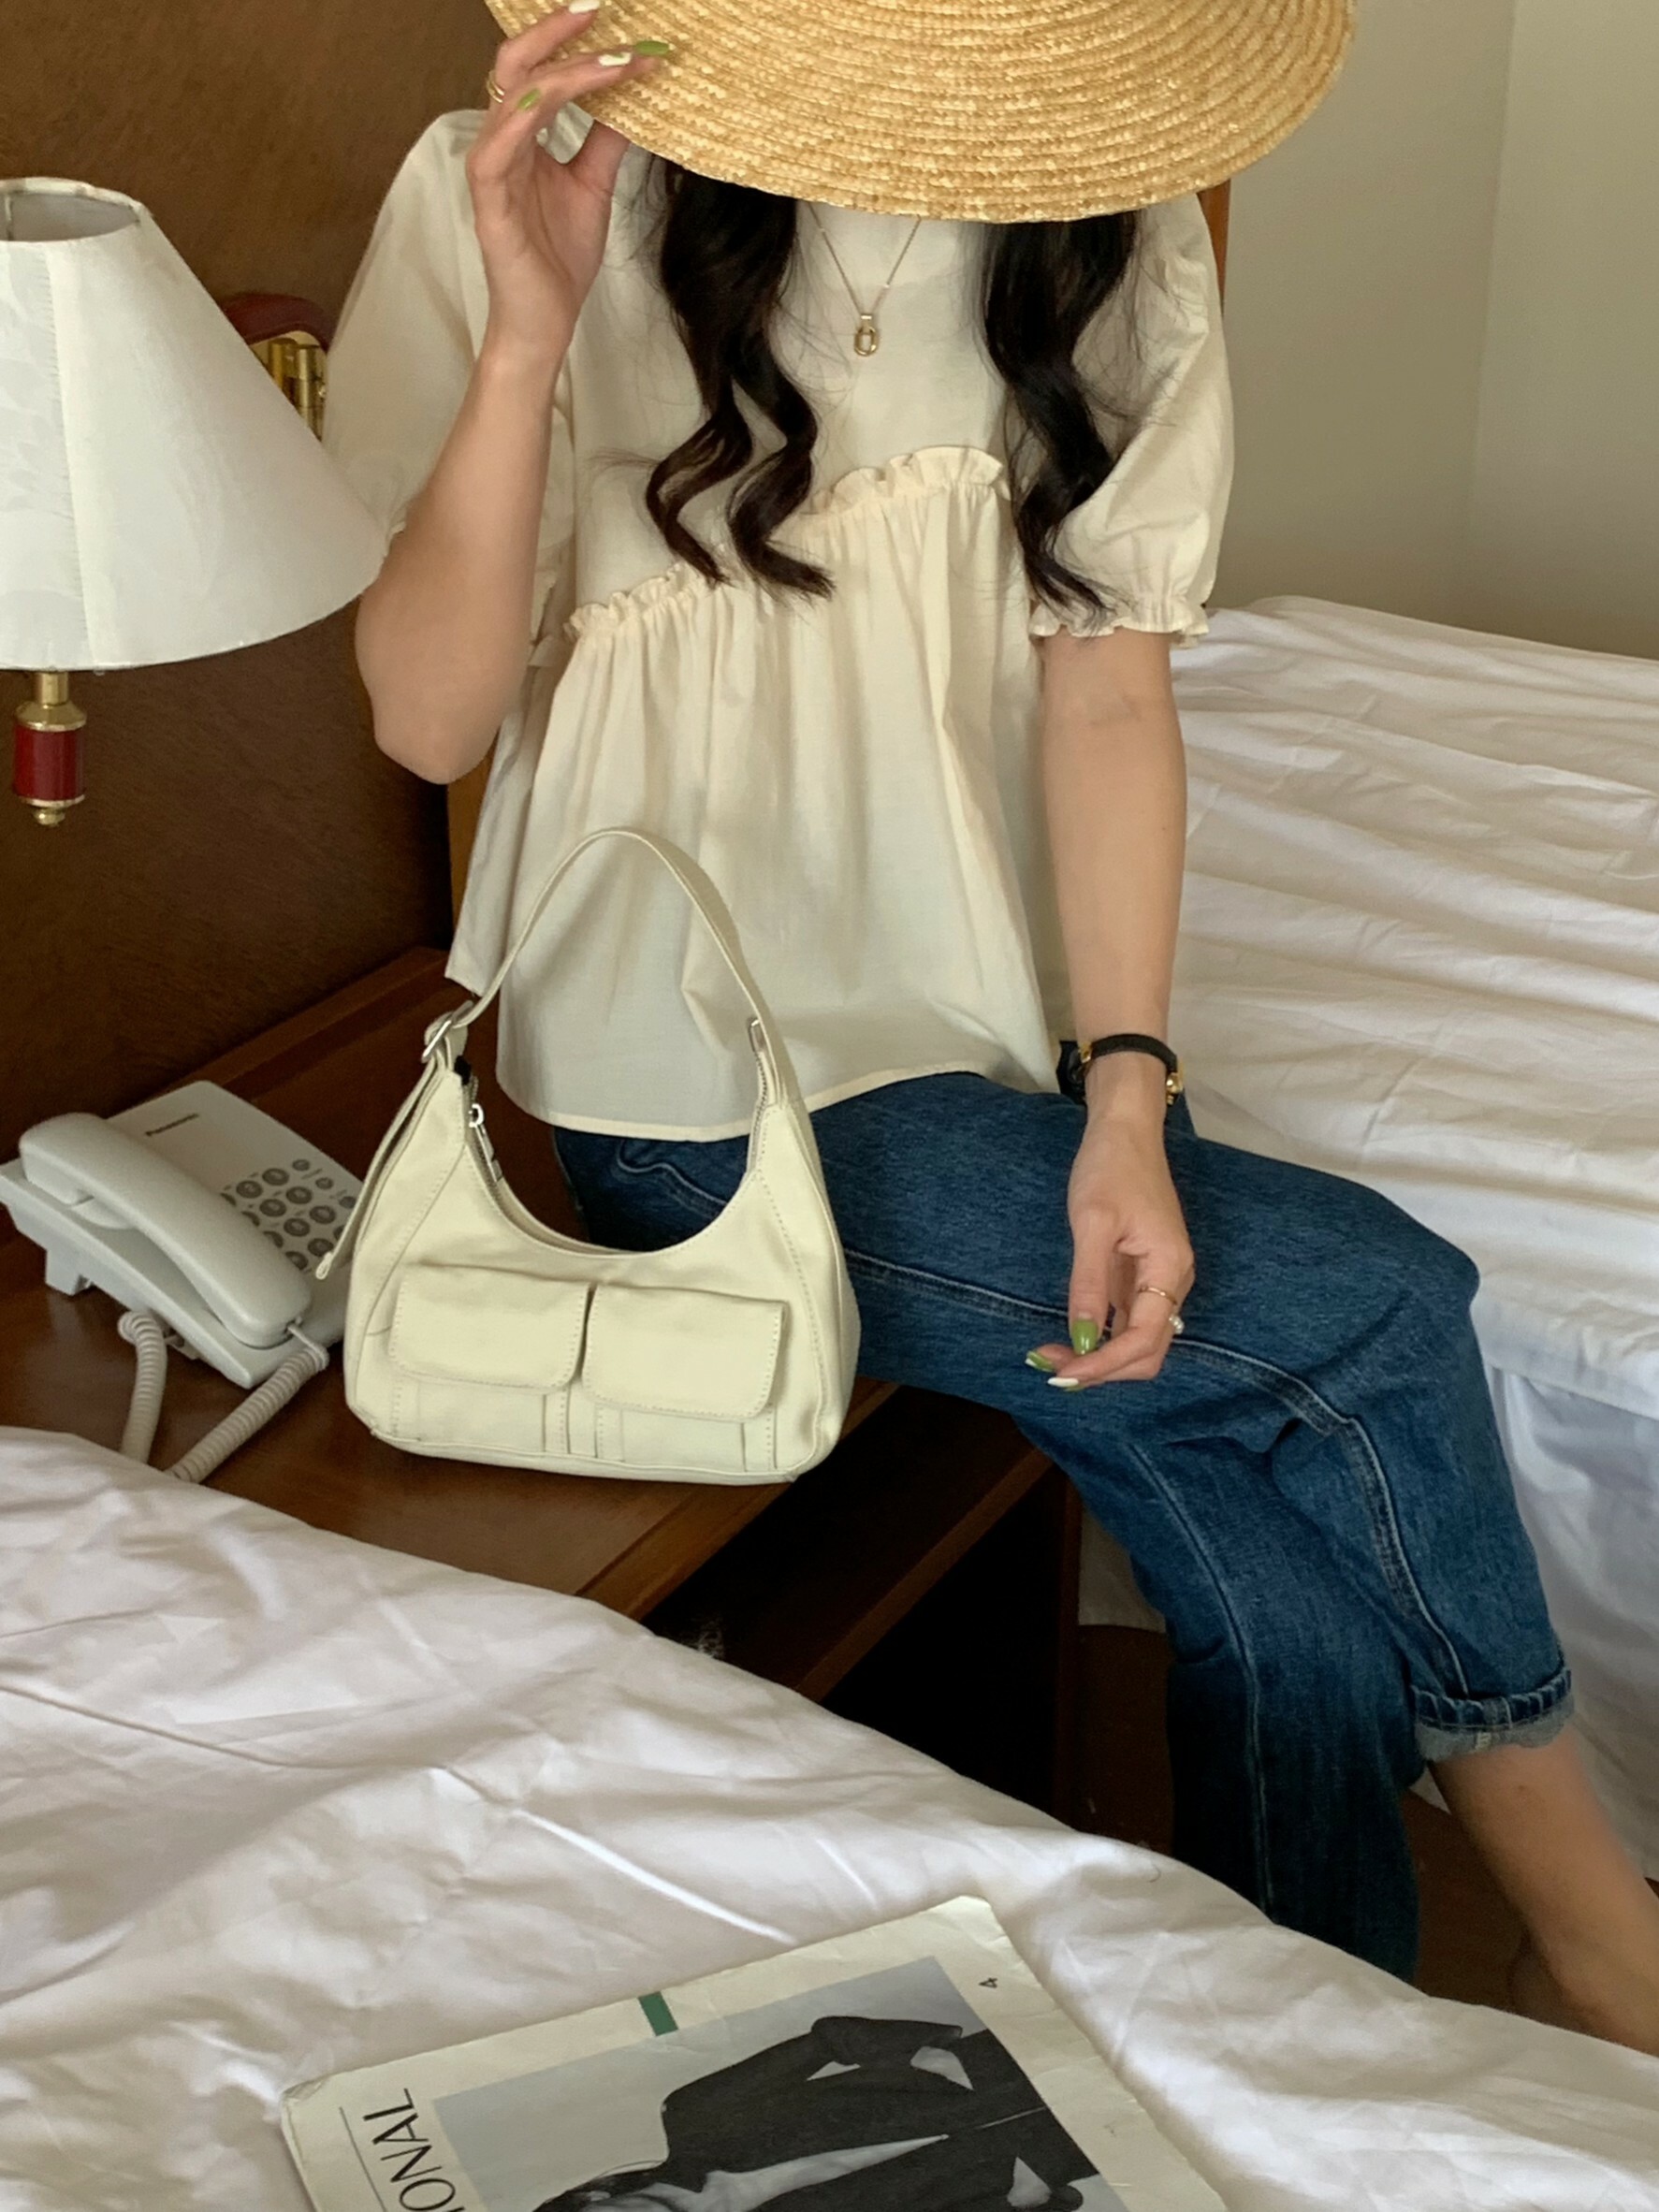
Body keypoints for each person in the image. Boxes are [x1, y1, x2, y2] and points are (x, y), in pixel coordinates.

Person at [323, 0, 1659, 2046]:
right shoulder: (517, 186)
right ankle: (1599, 1941)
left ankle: (1319, 2045)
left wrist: (1124, 1090)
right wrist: (529, 335)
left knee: (1268, 1553)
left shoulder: (1106, 217)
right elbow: (427, 721)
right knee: (1383, 1303)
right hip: (700, 1094)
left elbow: (1108, 693)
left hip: (989, 1045)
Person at [531, 2014, 1094, 2212]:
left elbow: (828, 2039)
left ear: (591, 2198)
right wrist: (1023, 2198)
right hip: (1039, 2156)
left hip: (998, 2068)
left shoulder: (693, 2117)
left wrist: (935, 2057)